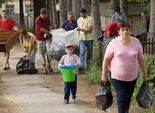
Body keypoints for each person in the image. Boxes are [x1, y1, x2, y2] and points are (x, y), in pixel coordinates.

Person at [101, 21, 148, 113]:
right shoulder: (113, 43)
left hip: (132, 76)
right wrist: (104, 74)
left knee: (128, 96)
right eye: (122, 30)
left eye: (127, 29)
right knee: (122, 95)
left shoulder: (136, 42)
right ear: (118, 31)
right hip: (116, 76)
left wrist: (145, 74)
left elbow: (141, 60)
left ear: (130, 30)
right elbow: (106, 59)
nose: (125, 32)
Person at [35, 8, 53, 74]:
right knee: (41, 53)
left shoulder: (47, 18)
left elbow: (49, 25)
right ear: (43, 14)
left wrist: (51, 32)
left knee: (49, 53)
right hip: (40, 39)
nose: (47, 16)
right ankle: (44, 67)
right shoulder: (38, 19)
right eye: (46, 14)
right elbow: (41, 29)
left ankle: (49, 64)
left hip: (47, 39)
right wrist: (48, 33)